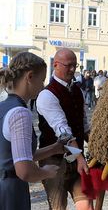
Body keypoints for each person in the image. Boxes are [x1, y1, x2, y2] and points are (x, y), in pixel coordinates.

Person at [0, 52, 63, 210]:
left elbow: (19, 155)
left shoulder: (3, 107)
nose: (43, 86)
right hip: (11, 193)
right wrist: (46, 172)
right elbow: (24, 171)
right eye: (41, 80)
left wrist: (54, 148)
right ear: (29, 77)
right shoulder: (20, 113)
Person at [36, 48, 93, 210]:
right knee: (58, 207)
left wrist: (98, 145)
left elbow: (83, 125)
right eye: (68, 65)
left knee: (87, 206)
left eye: (75, 65)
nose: (72, 69)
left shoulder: (78, 91)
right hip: (54, 161)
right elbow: (63, 132)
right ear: (55, 65)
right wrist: (80, 158)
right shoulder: (47, 95)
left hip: (76, 159)